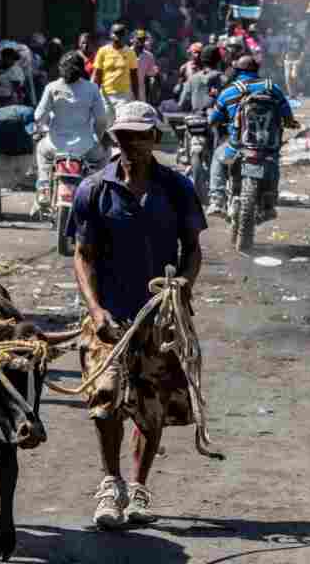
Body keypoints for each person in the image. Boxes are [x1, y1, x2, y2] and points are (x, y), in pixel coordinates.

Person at [67, 101, 206, 529]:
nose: (131, 144)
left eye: (140, 136)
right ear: (115, 141)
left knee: (151, 406)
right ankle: (111, 484)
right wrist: (95, 308)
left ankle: (139, 489)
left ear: (155, 139)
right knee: (105, 401)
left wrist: (182, 286)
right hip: (109, 318)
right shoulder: (93, 189)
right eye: (124, 137)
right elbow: (82, 255)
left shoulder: (177, 188)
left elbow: (193, 251)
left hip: (160, 320)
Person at [207, 55, 295, 220]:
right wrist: (291, 122)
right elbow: (287, 114)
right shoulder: (271, 87)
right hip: (267, 147)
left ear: (237, 70)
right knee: (274, 161)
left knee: (218, 157)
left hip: (237, 146)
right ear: (256, 70)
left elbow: (214, 119)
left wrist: (216, 120)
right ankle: (269, 202)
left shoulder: (228, 91)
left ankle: (217, 200)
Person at [34, 51, 108, 213]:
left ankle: (44, 187)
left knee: (41, 150)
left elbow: (39, 116)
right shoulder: (92, 88)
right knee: (104, 155)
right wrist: (98, 137)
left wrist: (42, 128)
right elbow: (101, 120)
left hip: (54, 145)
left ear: (61, 69)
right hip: (85, 146)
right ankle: (96, 190)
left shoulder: (52, 87)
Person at [92, 24, 140, 128]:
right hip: (105, 95)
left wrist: (136, 96)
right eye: (116, 34)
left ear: (125, 37)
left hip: (123, 95)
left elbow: (134, 76)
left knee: (121, 124)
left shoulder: (130, 53)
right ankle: (108, 144)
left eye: (121, 35)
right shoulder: (103, 51)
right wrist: (93, 95)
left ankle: (119, 144)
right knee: (106, 124)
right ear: (111, 35)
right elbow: (98, 75)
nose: (118, 38)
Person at [132, 30, 160, 107]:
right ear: (133, 39)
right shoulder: (127, 53)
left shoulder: (149, 56)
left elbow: (151, 74)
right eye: (139, 39)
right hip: (126, 90)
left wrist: (155, 74)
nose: (141, 41)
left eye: (143, 39)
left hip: (141, 90)